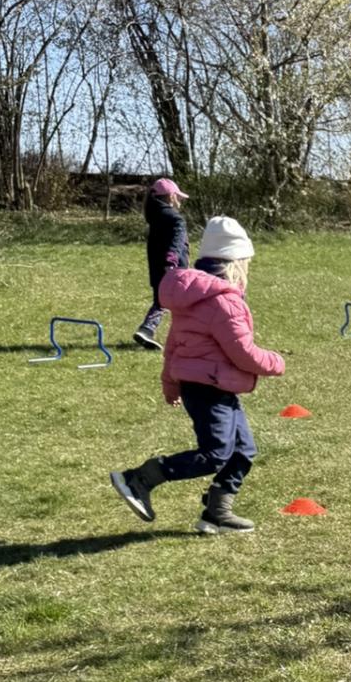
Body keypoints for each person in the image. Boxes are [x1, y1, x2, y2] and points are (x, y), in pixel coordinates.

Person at [110, 216, 284, 534]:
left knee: (243, 450)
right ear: (235, 264)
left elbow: (173, 344)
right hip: (209, 387)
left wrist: (170, 383)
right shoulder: (224, 302)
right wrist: (274, 362)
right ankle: (140, 478)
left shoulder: (193, 297)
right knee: (215, 454)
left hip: (209, 385)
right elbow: (243, 352)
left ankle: (217, 512)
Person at [134, 177, 189, 350]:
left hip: (156, 269)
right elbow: (177, 242)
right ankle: (187, 338)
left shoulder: (154, 217)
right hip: (174, 269)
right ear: (171, 197)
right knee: (185, 304)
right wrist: (171, 261)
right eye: (178, 197)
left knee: (161, 301)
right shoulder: (176, 219)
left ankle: (147, 330)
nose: (179, 200)